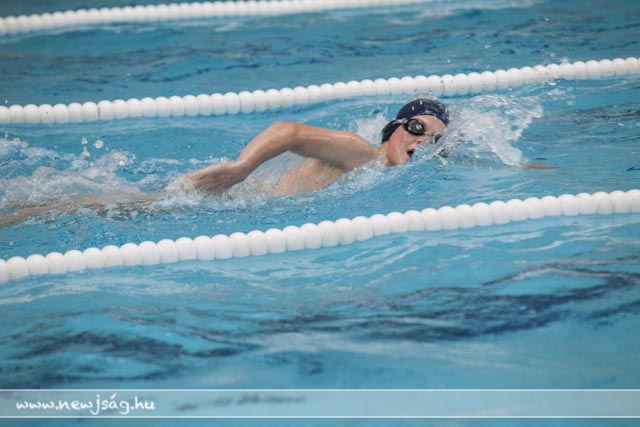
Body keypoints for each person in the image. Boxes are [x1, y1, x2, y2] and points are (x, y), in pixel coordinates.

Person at [183, 98, 449, 195]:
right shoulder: (359, 152)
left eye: (434, 139)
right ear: (394, 127)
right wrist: (240, 169)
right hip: (214, 195)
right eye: (418, 127)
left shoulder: (380, 175)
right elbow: (288, 131)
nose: (422, 140)